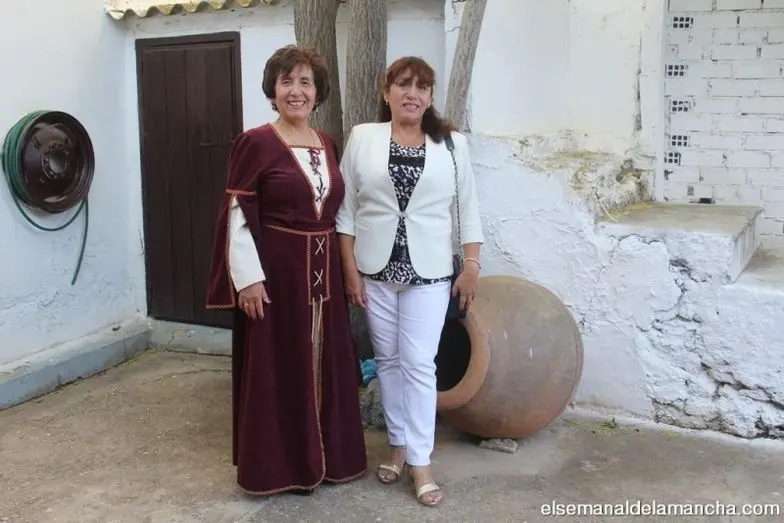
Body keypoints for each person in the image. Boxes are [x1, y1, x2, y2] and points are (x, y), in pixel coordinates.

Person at [205, 44, 367, 496]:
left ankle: (329, 461)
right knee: (278, 368)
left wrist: (348, 272)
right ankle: (281, 469)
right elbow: (237, 213)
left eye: (305, 82)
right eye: (287, 81)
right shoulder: (255, 142)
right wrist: (249, 279)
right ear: (273, 90)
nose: (296, 91)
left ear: (318, 93)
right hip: (275, 276)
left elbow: (336, 212)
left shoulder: (328, 143)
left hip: (324, 275)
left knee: (327, 364)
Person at [336, 56, 484, 507]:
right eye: (403, 84)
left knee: (419, 363)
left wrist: (472, 265)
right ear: (387, 92)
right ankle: (398, 445)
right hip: (375, 272)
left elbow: (468, 208)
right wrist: (350, 272)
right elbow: (346, 211)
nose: (412, 94)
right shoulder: (363, 138)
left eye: (422, 86)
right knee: (388, 361)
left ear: (430, 96)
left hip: (430, 274)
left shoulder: (452, 145)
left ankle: (420, 459)